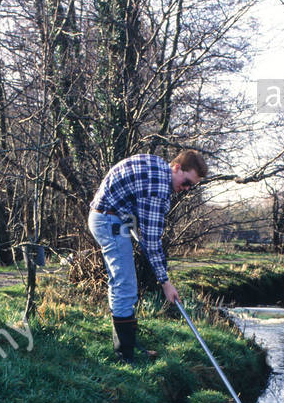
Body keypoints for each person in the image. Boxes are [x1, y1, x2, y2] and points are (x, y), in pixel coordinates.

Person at [87, 148, 208, 362]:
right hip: (108, 220)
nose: (187, 189)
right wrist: (165, 283)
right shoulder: (159, 186)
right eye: (187, 182)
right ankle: (125, 356)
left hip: (114, 217)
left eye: (192, 186)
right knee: (125, 285)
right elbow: (151, 242)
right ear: (177, 167)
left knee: (123, 283)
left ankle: (128, 346)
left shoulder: (158, 166)